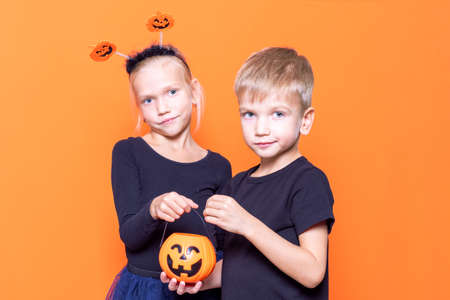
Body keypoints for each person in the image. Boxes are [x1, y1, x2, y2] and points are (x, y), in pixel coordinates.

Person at [164, 47, 335, 299]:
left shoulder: (308, 181)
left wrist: (246, 224)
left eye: (278, 114)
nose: (261, 128)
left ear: (305, 121)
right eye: (249, 114)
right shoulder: (238, 185)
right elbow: (240, 265)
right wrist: (198, 278)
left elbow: (312, 272)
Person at [106, 44, 231, 300]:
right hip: (148, 291)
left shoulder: (219, 166)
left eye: (171, 92)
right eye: (148, 100)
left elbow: (223, 241)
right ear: (139, 107)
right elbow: (130, 236)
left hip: (201, 288)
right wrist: (154, 208)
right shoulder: (128, 152)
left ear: (193, 91)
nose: (162, 108)